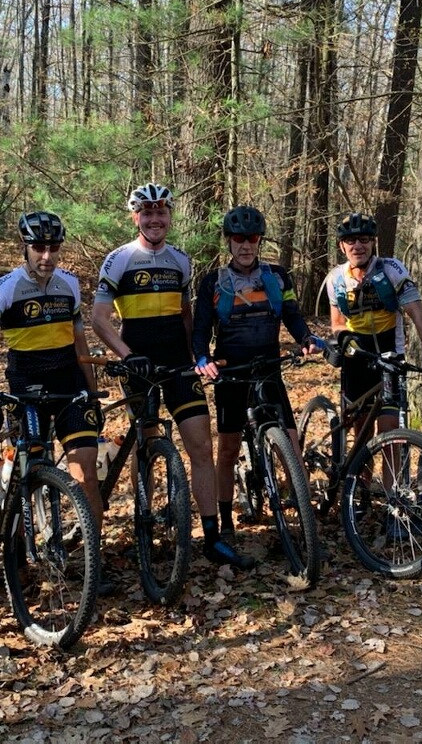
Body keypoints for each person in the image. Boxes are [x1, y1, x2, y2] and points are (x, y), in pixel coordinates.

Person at [92, 182, 254, 570]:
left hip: (178, 363)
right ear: (135, 217)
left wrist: (196, 355)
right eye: (147, 212)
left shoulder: (181, 260)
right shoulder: (118, 260)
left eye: (161, 212)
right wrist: (128, 356)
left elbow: (186, 314)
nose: (155, 219)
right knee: (147, 443)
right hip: (139, 363)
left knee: (201, 445)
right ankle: (144, 522)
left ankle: (212, 537)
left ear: (169, 216)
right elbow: (99, 319)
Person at [0, 211, 112, 595]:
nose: (47, 255)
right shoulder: (6, 287)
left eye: (53, 247)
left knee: (86, 473)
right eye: (39, 247)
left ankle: (92, 564)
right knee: (25, 470)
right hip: (26, 385)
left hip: (69, 383)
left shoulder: (69, 284)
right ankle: (13, 549)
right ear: (25, 248)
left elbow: (80, 342)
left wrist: (92, 392)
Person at [191, 205, 320, 549]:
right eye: (239, 239)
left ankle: (305, 524)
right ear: (229, 241)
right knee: (228, 449)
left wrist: (305, 338)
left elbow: (292, 315)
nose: (245, 245)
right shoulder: (213, 281)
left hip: (268, 369)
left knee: (290, 445)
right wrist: (202, 357)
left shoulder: (277, 276)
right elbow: (201, 328)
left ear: (260, 240)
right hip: (231, 373)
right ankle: (225, 521)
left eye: (252, 238)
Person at [326, 212, 422, 442]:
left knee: (389, 429)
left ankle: (389, 469)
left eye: (364, 239)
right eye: (350, 240)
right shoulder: (335, 278)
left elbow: (418, 314)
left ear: (373, 242)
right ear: (342, 246)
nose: (357, 246)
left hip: (390, 354)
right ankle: (360, 468)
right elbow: (337, 323)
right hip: (357, 357)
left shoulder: (391, 269)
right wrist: (344, 337)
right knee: (362, 429)